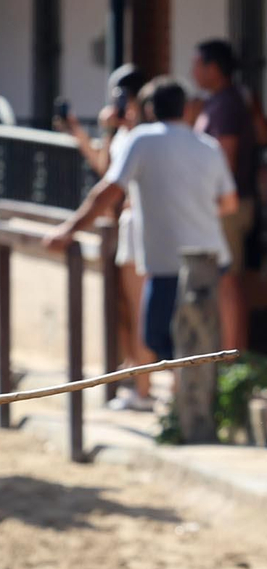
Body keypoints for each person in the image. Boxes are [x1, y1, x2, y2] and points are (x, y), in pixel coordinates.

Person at [47, 78, 238, 363]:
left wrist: (69, 229)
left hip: (169, 264)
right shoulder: (208, 146)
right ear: (186, 109)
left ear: (149, 110)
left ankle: (185, 403)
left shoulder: (142, 140)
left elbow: (107, 192)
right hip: (210, 259)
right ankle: (186, 401)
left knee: (162, 339)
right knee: (196, 343)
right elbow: (228, 203)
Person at [61, 64, 154, 409]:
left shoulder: (144, 134)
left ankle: (143, 387)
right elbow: (105, 170)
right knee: (124, 308)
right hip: (119, 228)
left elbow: (113, 185)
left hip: (136, 225)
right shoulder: (123, 135)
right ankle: (135, 374)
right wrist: (92, 134)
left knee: (138, 306)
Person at [191, 39, 259, 353]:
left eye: (198, 63)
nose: (193, 70)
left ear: (213, 68)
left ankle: (234, 360)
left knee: (229, 281)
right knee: (225, 281)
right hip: (223, 205)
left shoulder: (228, 103)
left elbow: (226, 160)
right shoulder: (218, 101)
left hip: (228, 205)